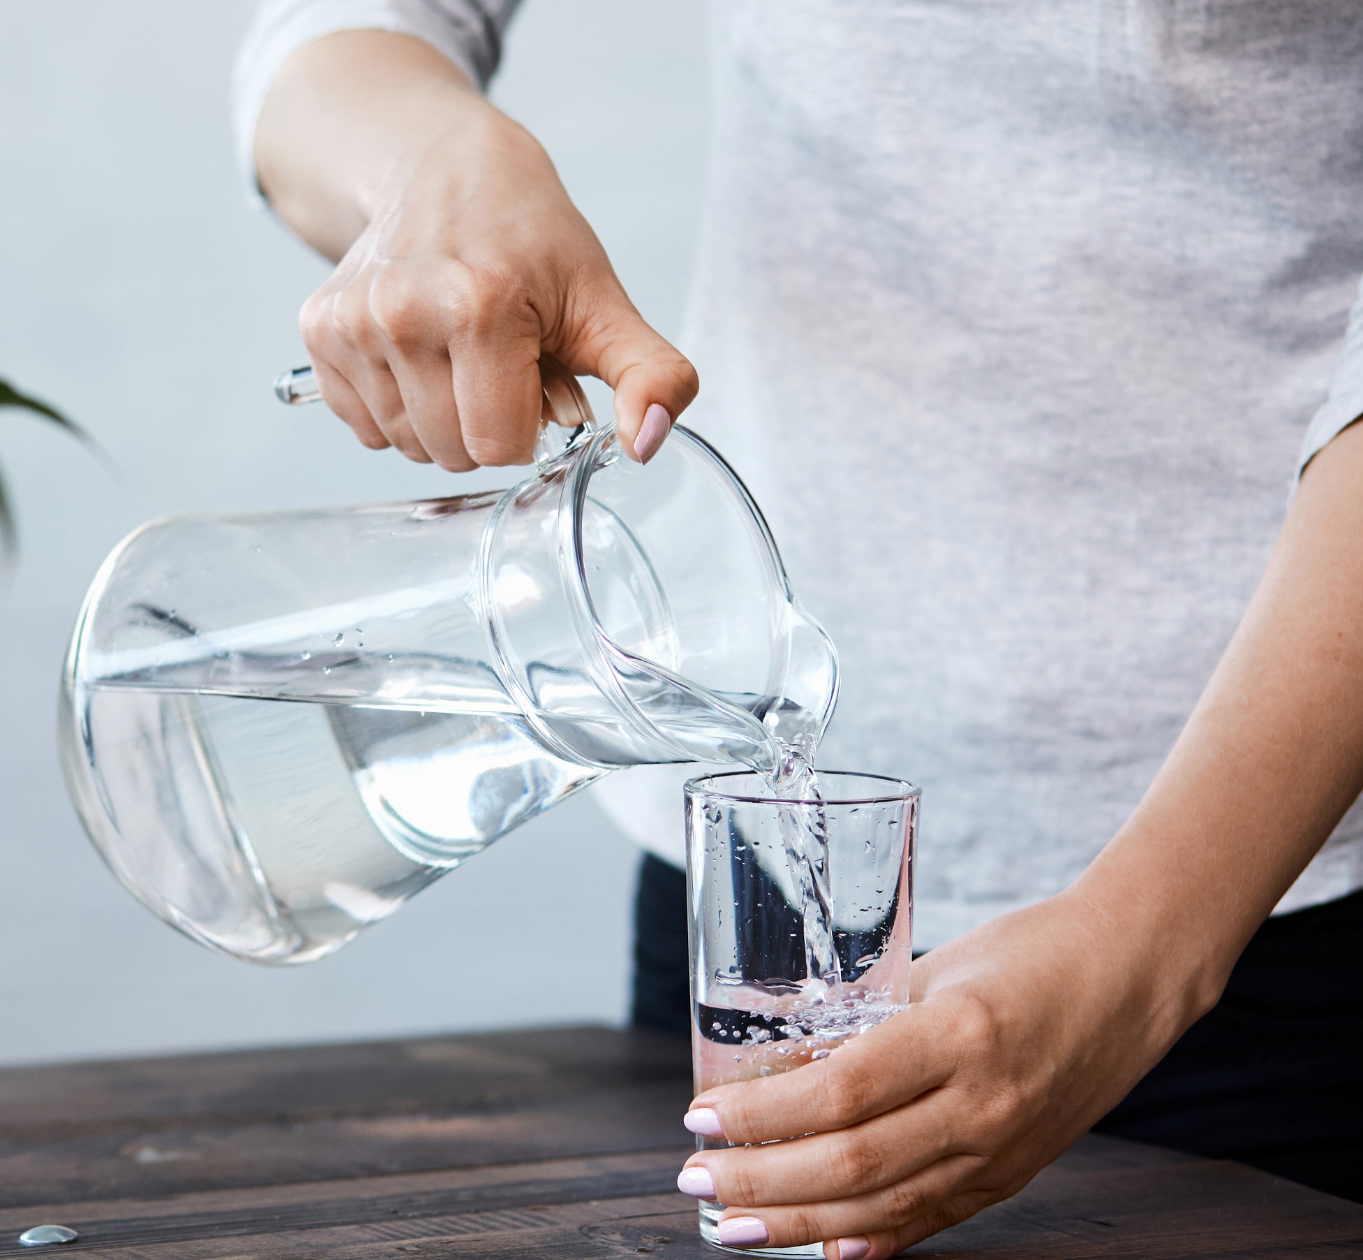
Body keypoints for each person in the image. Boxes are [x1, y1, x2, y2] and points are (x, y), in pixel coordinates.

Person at [234, 1, 1363, 1254]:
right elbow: (331, 38)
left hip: (1269, 897)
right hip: (740, 919)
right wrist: (434, 174)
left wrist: (1151, 947)